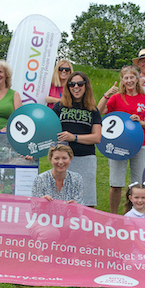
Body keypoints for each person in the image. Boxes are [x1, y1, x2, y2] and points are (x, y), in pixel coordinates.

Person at [98, 65, 145, 214]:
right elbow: (99, 113)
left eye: (132, 77)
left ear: (137, 79)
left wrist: (141, 122)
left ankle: (136, 215)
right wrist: (106, 95)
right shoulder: (116, 98)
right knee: (116, 184)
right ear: (122, 80)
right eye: (126, 78)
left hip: (140, 145)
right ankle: (113, 215)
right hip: (118, 145)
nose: (129, 81)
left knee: (139, 185)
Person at [52, 71, 101, 207]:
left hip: (86, 158)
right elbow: (48, 131)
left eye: (80, 84)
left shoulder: (93, 110)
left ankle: (85, 227)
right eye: (72, 84)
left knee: (87, 201)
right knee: (62, 200)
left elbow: (97, 137)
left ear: (86, 86)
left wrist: (73, 137)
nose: (76, 87)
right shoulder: (59, 107)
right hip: (63, 160)